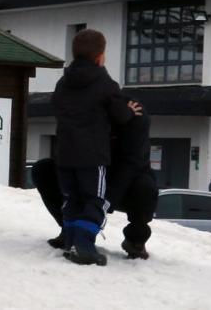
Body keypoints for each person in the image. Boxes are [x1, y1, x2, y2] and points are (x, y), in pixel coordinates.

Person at [50, 28, 136, 266]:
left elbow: (55, 105)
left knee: (71, 198)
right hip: (92, 155)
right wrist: (130, 111)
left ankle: (70, 240)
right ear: (100, 56)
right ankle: (85, 245)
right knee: (94, 199)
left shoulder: (63, 83)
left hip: (65, 153)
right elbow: (119, 115)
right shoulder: (105, 83)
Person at [34, 98, 155, 260]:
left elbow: (131, 164)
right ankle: (70, 229)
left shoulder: (136, 117)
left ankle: (136, 240)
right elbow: (65, 156)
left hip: (127, 180)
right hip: (89, 175)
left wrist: (102, 203)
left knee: (145, 188)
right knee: (44, 169)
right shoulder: (78, 115)